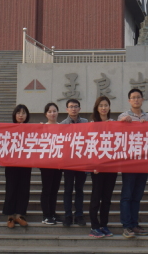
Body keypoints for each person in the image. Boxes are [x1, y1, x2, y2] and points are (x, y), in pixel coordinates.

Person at [117, 88, 148, 238]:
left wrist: (147, 125)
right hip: (129, 161)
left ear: (142, 99)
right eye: (133, 97)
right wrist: (123, 123)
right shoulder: (123, 116)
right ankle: (126, 226)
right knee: (127, 195)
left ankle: (134, 224)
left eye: (138, 97)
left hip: (143, 161)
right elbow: (117, 133)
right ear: (129, 100)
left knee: (137, 196)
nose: (136, 100)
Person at [88, 96, 117, 239]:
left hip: (111, 166)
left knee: (107, 198)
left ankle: (104, 225)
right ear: (97, 108)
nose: (104, 108)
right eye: (101, 105)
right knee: (96, 197)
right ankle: (94, 226)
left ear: (109, 107)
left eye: (106, 105)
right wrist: (93, 164)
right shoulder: (92, 124)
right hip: (97, 167)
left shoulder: (114, 124)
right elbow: (90, 146)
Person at [60, 98, 88, 227]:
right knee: (68, 190)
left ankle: (79, 215)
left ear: (79, 109)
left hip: (82, 161)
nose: (73, 109)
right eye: (71, 107)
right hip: (68, 162)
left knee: (79, 189)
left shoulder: (86, 123)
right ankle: (68, 215)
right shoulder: (62, 124)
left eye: (76, 106)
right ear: (67, 109)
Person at [3, 104, 32, 228]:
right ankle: (10, 216)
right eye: (18, 113)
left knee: (24, 189)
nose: (21, 115)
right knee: (11, 189)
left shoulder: (31, 129)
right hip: (11, 164)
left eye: (23, 113)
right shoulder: (8, 128)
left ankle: (20, 215)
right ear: (14, 115)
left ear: (27, 115)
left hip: (26, 163)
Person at [39, 102, 63, 225]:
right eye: (49, 111)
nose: (52, 113)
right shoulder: (42, 127)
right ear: (45, 114)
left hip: (58, 163)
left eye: (54, 111)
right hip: (46, 164)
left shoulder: (63, 127)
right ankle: (46, 215)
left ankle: (52, 213)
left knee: (54, 190)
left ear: (58, 112)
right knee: (47, 189)